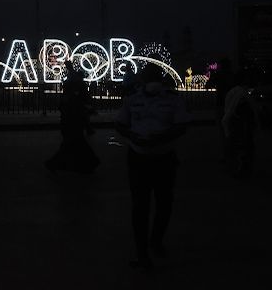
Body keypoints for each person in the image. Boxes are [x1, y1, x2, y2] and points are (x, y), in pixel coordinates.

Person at [115, 65, 191, 270]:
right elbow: (120, 124)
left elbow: (181, 126)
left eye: (153, 77)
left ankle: (155, 241)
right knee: (141, 206)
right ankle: (143, 252)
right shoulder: (132, 100)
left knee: (164, 203)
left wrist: (160, 139)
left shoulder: (173, 100)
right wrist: (133, 137)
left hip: (163, 157)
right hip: (139, 157)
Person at [45, 65, 99, 173]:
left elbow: (65, 106)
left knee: (72, 144)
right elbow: (79, 105)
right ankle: (87, 163)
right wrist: (89, 110)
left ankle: (60, 164)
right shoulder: (75, 92)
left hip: (69, 122)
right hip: (73, 122)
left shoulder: (69, 92)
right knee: (75, 144)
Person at [221, 69, 256, 178]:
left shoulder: (233, 92)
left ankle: (236, 168)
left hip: (233, 121)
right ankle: (241, 169)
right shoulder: (242, 93)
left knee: (235, 146)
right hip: (239, 122)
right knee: (242, 146)